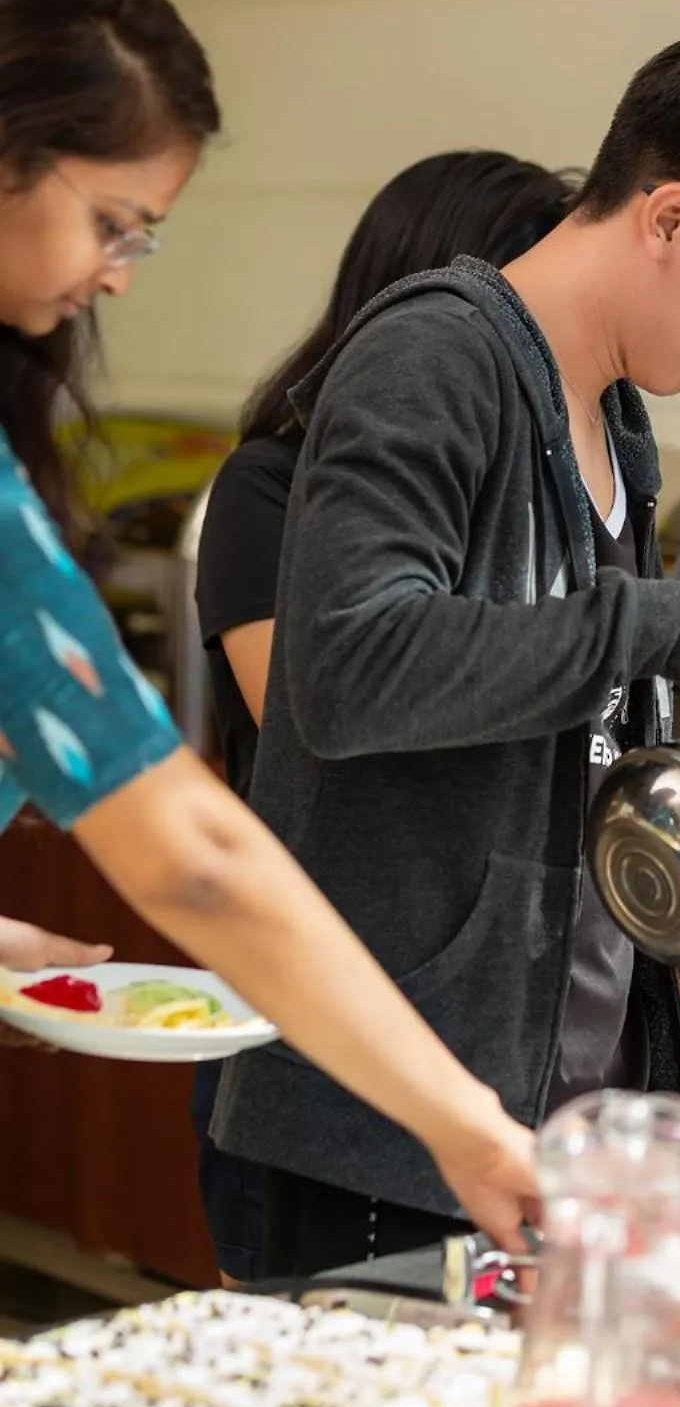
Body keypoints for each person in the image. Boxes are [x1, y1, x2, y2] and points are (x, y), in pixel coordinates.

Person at [212, 18, 680, 1278]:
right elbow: (345, 671)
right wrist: (666, 617)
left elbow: (561, 755)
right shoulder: (438, 354)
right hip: (397, 1127)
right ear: (671, 217)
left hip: (560, 1119)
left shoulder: (616, 421)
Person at [0, 0, 538, 1249]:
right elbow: (196, 857)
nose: (120, 272)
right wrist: (464, 1122)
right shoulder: (267, 490)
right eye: (113, 222)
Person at [191, 149, 576, 1283]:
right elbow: (324, 714)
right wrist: (613, 638)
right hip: (311, 994)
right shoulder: (272, 488)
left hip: (456, 1021)